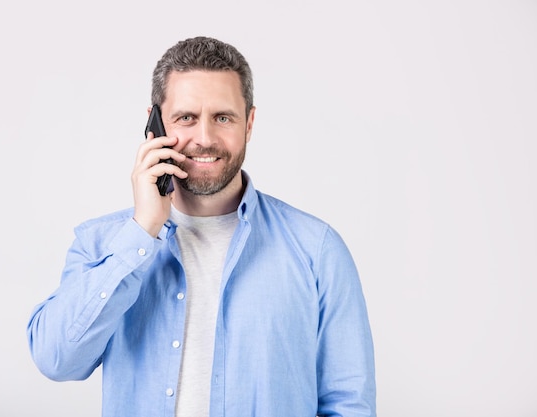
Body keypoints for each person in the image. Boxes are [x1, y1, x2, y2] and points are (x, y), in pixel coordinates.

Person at [27, 36, 376, 417]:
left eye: (223, 118)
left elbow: (348, 405)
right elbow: (57, 360)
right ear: (154, 124)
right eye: (186, 118)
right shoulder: (102, 243)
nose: (205, 139)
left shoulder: (316, 249)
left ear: (250, 123)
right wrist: (142, 231)